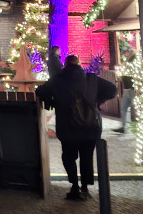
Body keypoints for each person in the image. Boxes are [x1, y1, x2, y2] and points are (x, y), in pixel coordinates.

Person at [35, 54, 116, 201]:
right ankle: (85, 188)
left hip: (68, 127)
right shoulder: (92, 79)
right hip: (90, 127)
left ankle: (74, 186)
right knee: (87, 157)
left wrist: (52, 101)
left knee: (68, 156)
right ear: (79, 65)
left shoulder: (58, 80)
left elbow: (40, 91)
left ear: (65, 65)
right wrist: (97, 101)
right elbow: (112, 89)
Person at [115, 49, 135, 134]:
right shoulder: (128, 61)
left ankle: (126, 127)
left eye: (125, 52)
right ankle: (123, 127)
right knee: (124, 108)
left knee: (129, 108)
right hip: (127, 89)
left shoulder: (133, 60)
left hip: (132, 88)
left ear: (129, 52)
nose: (124, 54)